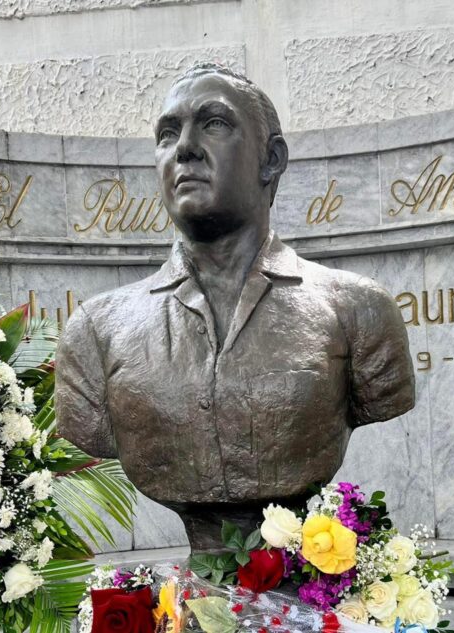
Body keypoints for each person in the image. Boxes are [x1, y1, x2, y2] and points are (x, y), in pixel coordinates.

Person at [55, 63, 415, 550]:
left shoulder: (358, 309)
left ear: (271, 159)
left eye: (214, 124)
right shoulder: (97, 330)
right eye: (167, 133)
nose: (184, 148)